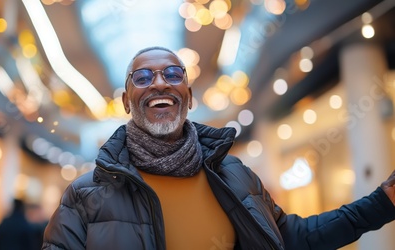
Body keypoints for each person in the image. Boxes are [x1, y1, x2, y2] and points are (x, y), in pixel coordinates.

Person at [42, 46, 395, 250]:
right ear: (126, 101)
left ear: (189, 97)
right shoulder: (84, 196)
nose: (160, 83)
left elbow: (291, 239)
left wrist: (382, 203)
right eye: (143, 78)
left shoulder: (236, 176)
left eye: (173, 74)